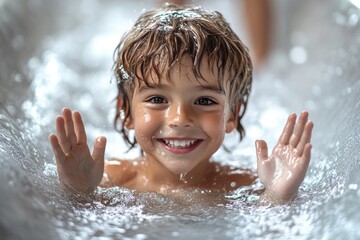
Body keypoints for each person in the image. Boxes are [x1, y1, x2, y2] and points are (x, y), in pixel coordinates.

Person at [49, 4, 313, 205]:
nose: (179, 118)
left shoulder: (241, 186)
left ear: (233, 114)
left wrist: (277, 197)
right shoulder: (109, 180)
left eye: (204, 100)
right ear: (126, 110)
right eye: (157, 99)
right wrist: (78, 193)